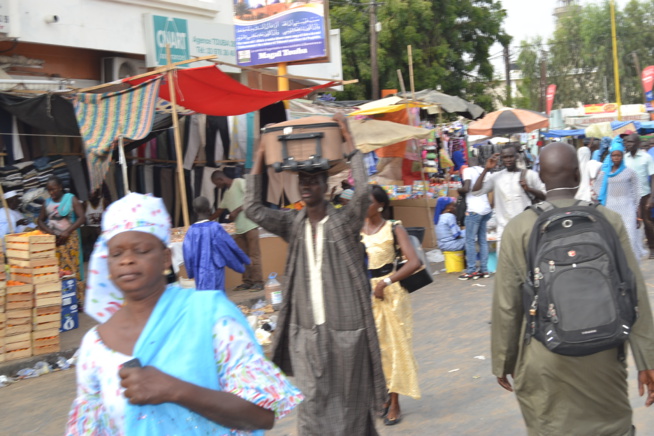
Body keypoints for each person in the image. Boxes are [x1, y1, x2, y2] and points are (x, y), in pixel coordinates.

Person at [69, 193, 302, 435]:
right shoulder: (94, 347)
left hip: (205, 283)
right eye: (117, 253)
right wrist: (239, 262)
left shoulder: (212, 316)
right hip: (206, 277)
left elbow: (261, 415)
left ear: (165, 258)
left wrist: (175, 390)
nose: (127, 260)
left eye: (140, 250)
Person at [491, 142, 654, 436]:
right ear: (579, 177)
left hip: (546, 352)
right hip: (604, 350)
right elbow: (634, 292)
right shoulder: (608, 220)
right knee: (612, 427)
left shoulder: (520, 228)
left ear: (541, 177)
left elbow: (507, 305)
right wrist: (648, 359)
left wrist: (503, 361)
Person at [244, 114, 386, 435]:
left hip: (347, 330)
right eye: (302, 181)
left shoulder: (344, 220)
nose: (307, 186)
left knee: (351, 404)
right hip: (305, 333)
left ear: (325, 185)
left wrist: (350, 143)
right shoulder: (292, 224)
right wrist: (259, 161)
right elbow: (252, 209)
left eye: (314, 181)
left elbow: (363, 194)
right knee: (310, 406)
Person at [361, 185, 421, 426]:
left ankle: (395, 401)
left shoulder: (394, 228)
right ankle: (382, 395)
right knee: (374, 349)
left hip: (390, 293)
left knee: (394, 347)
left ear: (381, 205)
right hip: (366, 293)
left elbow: (413, 262)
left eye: (368, 202)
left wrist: (385, 282)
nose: (363, 206)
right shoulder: (357, 230)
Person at [472, 144, 545, 249]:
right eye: (505, 157)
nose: (509, 159)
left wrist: (529, 189)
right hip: (504, 231)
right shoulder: (496, 177)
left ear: (516, 156)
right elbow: (476, 191)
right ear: (501, 159)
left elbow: (545, 195)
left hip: (526, 229)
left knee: (527, 262)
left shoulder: (530, 175)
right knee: (505, 264)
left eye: (511, 156)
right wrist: (486, 169)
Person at [211, 170, 264, 292]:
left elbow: (250, 198)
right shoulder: (226, 194)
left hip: (250, 225)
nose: (217, 186)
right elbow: (219, 211)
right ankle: (247, 282)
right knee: (243, 257)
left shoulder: (239, 182)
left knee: (254, 256)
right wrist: (206, 220)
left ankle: (258, 282)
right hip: (239, 229)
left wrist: (236, 211)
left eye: (216, 183)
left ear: (221, 179)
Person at [593, 140, 646, 260]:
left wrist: (638, 216)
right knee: (614, 239)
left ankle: (632, 267)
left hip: (628, 209)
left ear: (622, 156)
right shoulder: (604, 173)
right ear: (610, 156)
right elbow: (597, 190)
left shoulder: (630, 173)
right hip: (611, 210)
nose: (616, 158)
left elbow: (637, 194)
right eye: (613, 155)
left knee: (630, 239)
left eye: (618, 155)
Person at [183, 196, 250, 291]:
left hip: (199, 272)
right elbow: (229, 247)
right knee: (218, 297)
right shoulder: (215, 227)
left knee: (204, 298)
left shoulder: (191, 231)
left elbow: (187, 254)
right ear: (209, 209)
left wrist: (191, 272)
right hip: (215, 269)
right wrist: (242, 263)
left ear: (195, 210)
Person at [37, 176, 86, 284]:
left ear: (60, 187)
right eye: (49, 190)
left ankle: (76, 296)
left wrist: (67, 232)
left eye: (53, 189)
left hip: (69, 240)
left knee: (72, 269)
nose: (51, 192)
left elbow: (82, 217)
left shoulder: (71, 199)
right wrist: (51, 232)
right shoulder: (46, 203)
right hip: (55, 241)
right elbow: (40, 220)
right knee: (58, 270)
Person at [458, 158, 492, 280]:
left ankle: (471, 270)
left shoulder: (467, 170)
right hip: (485, 209)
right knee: (482, 240)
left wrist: (459, 190)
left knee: (470, 240)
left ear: (469, 163)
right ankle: (484, 269)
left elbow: (466, 188)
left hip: (474, 210)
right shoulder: (485, 171)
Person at [622, 132, 654, 259]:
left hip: (644, 195)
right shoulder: (625, 158)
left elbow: (652, 177)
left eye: (630, 142)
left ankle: (652, 247)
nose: (627, 144)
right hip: (629, 196)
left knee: (648, 222)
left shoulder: (646, 157)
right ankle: (634, 248)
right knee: (631, 222)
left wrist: (652, 197)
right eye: (626, 142)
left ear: (638, 144)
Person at [81, 187, 110, 262]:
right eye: (89, 195)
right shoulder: (85, 204)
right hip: (90, 229)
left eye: (93, 194)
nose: (90, 196)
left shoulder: (104, 202)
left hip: (103, 228)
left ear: (98, 194)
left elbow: (110, 215)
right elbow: (83, 220)